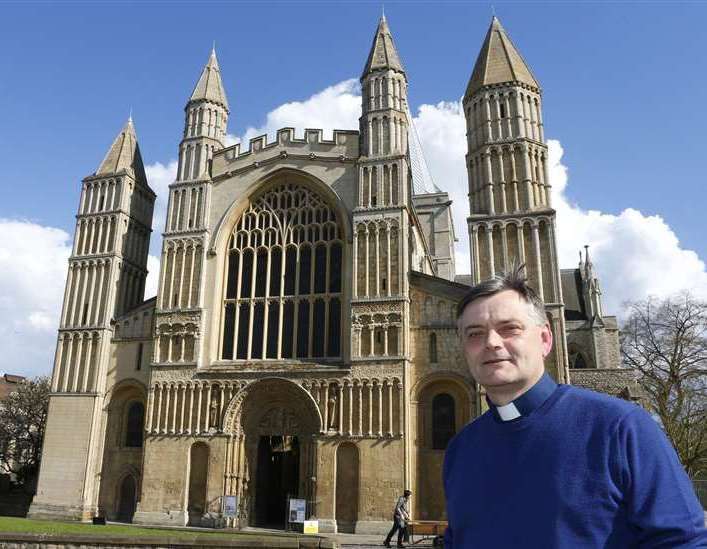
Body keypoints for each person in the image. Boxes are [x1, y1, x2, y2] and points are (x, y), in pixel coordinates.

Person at [444, 265, 707, 548]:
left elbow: (683, 542)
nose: (491, 343)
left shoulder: (620, 427)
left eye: (509, 328)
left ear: (545, 339)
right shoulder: (462, 449)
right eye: (474, 334)